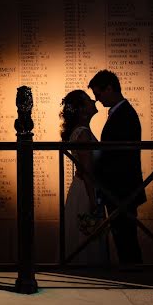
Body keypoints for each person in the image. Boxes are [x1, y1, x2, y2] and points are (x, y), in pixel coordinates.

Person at [88, 69, 145, 267]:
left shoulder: (125, 115)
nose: (98, 100)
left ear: (110, 88)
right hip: (120, 188)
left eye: (99, 94)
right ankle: (132, 274)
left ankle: (134, 277)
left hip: (122, 189)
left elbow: (120, 157)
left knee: (125, 237)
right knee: (123, 236)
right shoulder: (122, 113)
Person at [59, 89, 109, 266]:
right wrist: (93, 201)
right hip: (87, 191)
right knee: (89, 238)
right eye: (88, 100)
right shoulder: (83, 134)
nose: (94, 101)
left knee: (85, 240)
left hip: (82, 188)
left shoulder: (81, 131)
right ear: (82, 110)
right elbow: (87, 170)